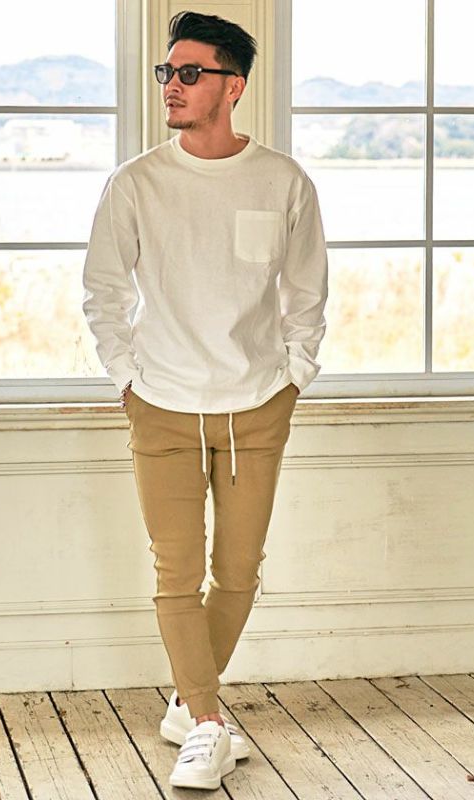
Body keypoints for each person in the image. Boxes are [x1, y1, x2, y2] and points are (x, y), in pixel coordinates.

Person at [82, 10, 328, 791]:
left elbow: (307, 295)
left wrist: (295, 378)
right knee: (176, 573)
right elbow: (103, 292)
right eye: (168, 72)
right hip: (161, 403)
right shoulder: (136, 184)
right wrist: (126, 380)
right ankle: (210, 725)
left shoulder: (283, 181)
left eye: (190, 73)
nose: (172, 85)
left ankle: (190, 705)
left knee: (241, 570)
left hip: (258, 404)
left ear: (234, 86)